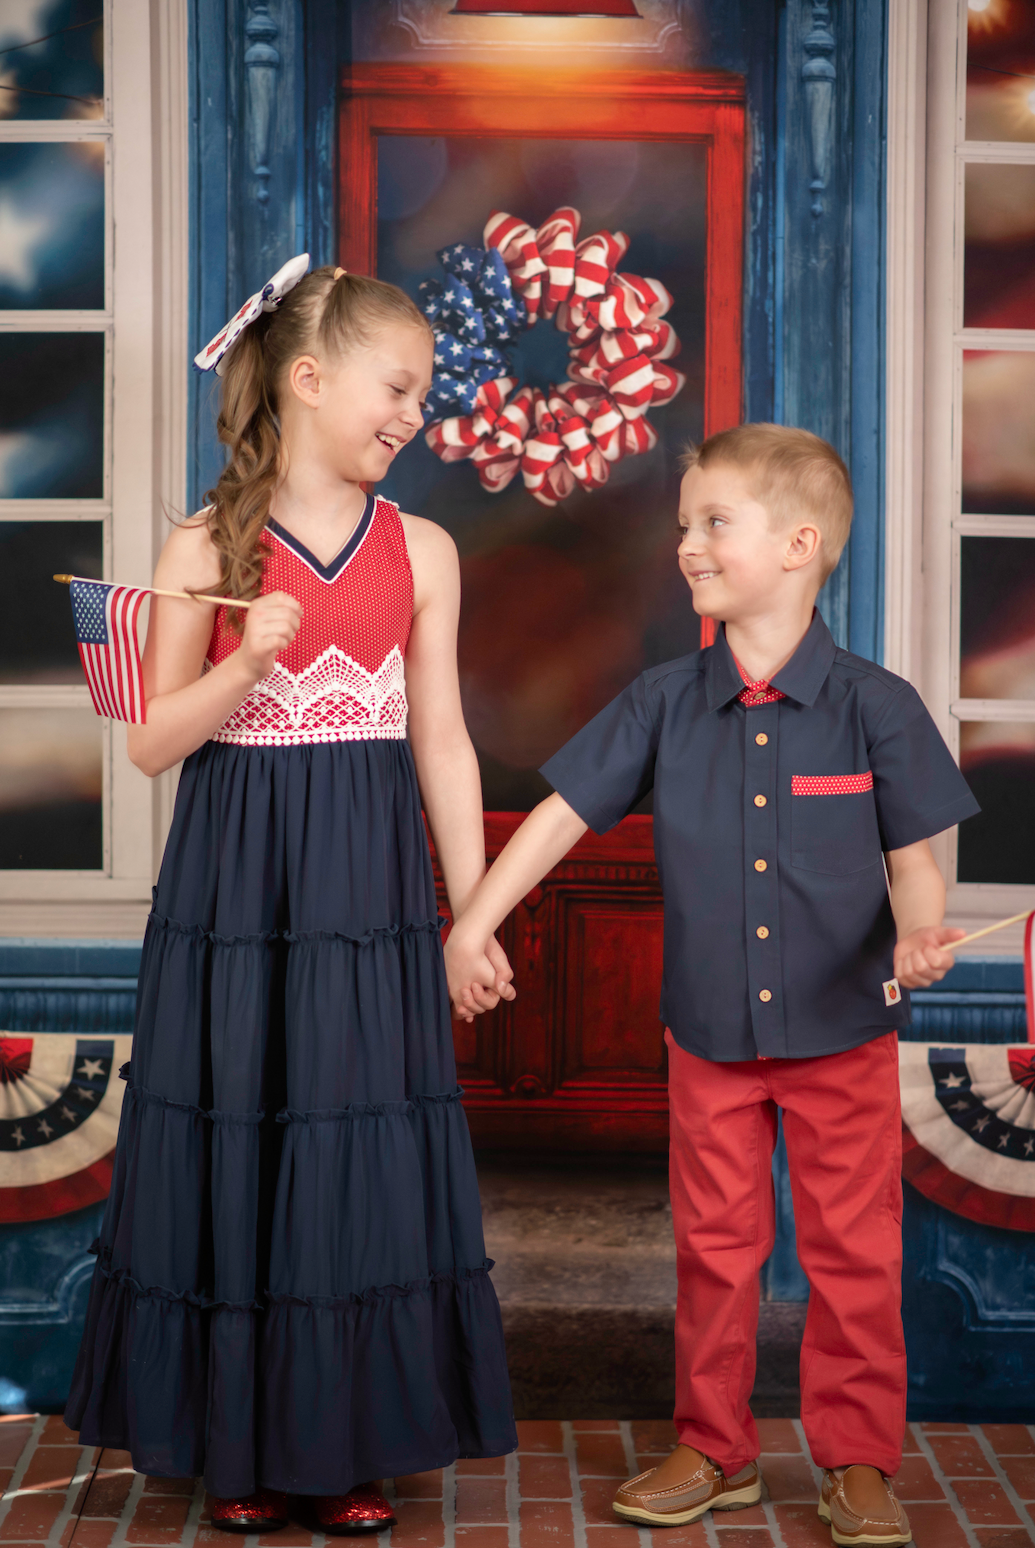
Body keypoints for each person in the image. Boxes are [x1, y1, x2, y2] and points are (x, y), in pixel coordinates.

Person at [444, 424, 980, 1547]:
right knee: (715, 1251)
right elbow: (556, 819)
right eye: (685, 524)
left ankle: (858, 1459)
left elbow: (915, 866)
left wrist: (923, 936)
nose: (687, 543)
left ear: (798, 543)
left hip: (846, 1035)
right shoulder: (660, 700)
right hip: (710, 1041)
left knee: (853, 1253)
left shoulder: (876, 706)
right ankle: (715, 1447)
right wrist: (474, 923)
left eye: (713, 523)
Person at [65, 258, 517, 1533]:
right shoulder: (203, 548)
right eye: (398, 387)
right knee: (244, 1136)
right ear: (310, 381)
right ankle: (241, 1449)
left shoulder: (423, 550)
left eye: (422, 395)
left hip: (367, 896)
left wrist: (470, 915)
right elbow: (153, 743)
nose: (413, 414)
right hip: (236, 892)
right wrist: (244, 657)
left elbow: (441, 737)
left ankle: (342, 1448)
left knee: (353, 1141)